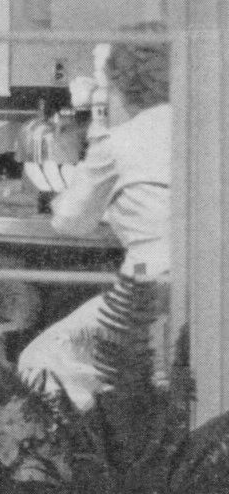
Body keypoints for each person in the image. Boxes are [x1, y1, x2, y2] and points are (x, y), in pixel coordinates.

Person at [17, 41, 171, 409]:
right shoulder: (204, 132)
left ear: (118, 87)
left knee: (38, 363)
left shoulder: (120, 141)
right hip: (209, 295)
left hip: (149, 295)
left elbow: (70, 220)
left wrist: (102, 127)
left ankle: (89, 458)